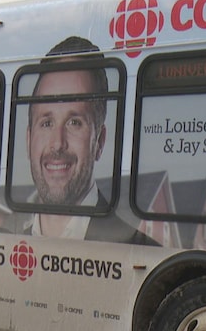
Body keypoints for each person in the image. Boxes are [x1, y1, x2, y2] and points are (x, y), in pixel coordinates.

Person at [25, 36, 155, 245]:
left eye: (74, 122)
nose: (57, 144)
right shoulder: (3, 244)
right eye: (46, 123)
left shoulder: (136, 247)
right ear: (28, 139)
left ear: (100, 142)